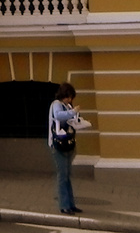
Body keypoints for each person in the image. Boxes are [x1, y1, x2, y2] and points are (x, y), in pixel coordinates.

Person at [48, 82, 85, 215]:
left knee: (67, 175)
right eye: (69, 97)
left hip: (67, 143)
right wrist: (73, 111)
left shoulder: (66, 106)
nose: (70, 100)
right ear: (64, 95)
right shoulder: (56, 104)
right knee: (62, 176)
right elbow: (58, 116)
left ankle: (71, 204)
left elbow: (70, 119)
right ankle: (64, 205)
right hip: (58, 144)